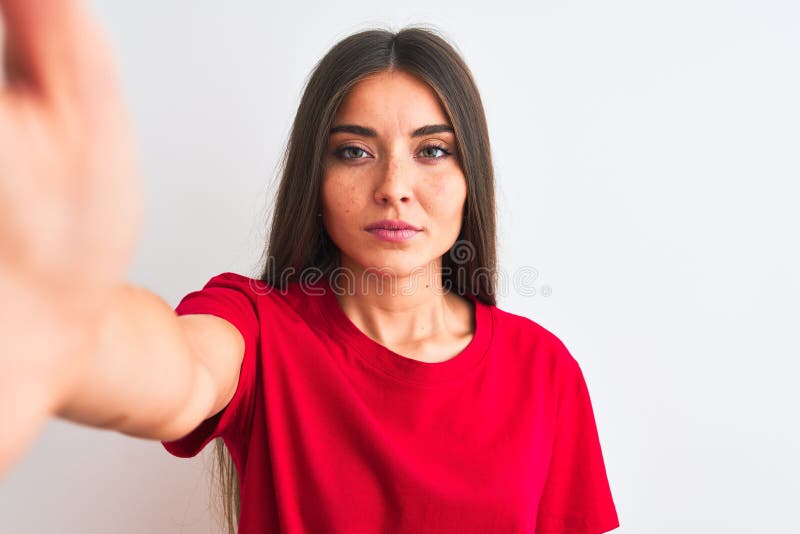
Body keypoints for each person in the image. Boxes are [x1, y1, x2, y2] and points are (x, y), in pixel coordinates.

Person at [0, 1, 620, 533]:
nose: (394, 186)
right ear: (314, 179)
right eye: (354, 151)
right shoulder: (260, 330)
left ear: (470, 181)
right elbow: (176, 372)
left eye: (432, 151)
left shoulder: (545, 372)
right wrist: (60, 318)